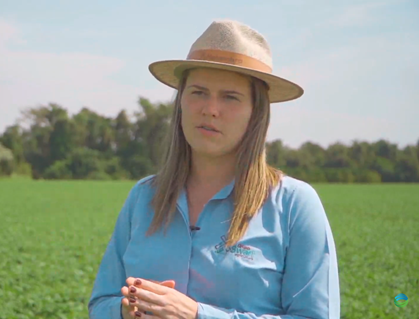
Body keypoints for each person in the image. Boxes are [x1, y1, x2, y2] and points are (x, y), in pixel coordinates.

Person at [87, 19, 340, 319]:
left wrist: (197, 315)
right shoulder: (143, 197)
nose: (210, 109)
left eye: (230, 97)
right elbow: (101, 303)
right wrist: (125, 310)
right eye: (198, 92)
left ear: (256, 113)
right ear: (180, 101)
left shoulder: (294, 205)